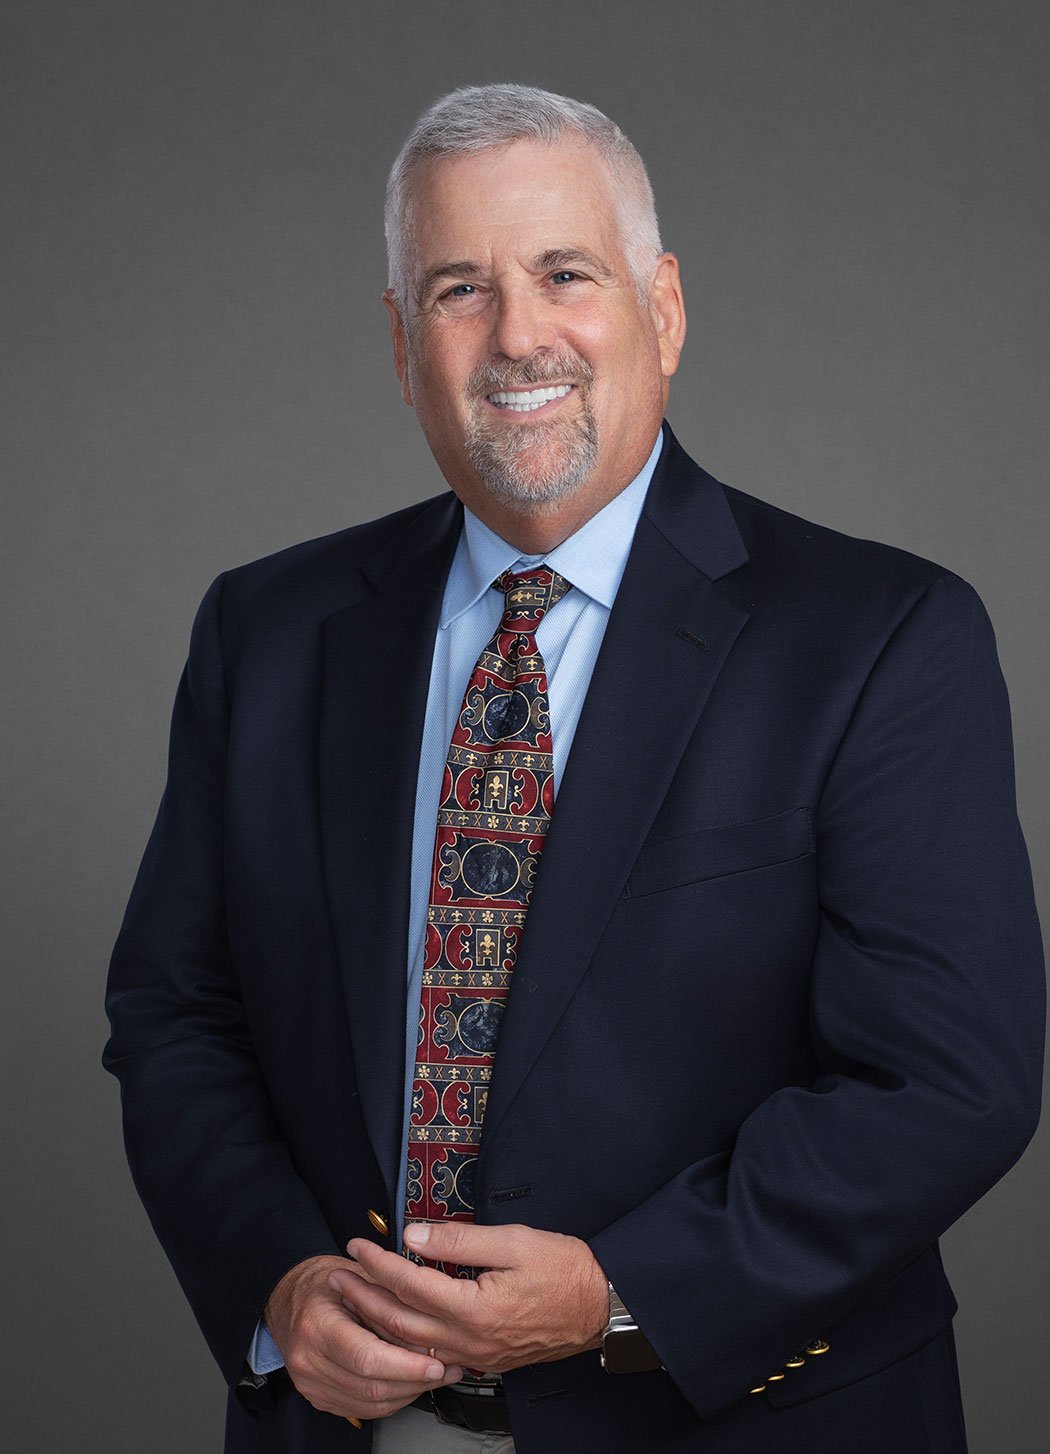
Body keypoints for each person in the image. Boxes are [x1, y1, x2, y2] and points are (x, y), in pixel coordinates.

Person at [104, 84, 1044, 1454]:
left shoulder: (882, 638)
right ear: (400, 344)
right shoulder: (269, 632)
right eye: (459, 288)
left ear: (662, 307)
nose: (516, 334)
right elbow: (177, 1012)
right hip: (353, 1422)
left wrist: (617, 1296)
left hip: (734, 1418)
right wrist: (280, 1281)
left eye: (564, 273)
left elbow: (947, 1082)